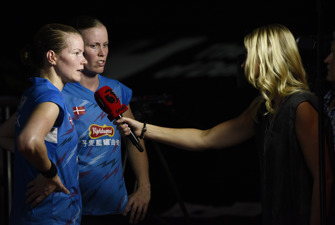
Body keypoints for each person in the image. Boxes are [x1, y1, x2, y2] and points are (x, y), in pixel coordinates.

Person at [114, 24, 334, 225]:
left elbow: (324, 177)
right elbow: (205, 139)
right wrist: (142, 128)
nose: (242, 63)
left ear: (267, 58)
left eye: (248, 55)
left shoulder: (301, 106)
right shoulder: (263, 107)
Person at [61, 16, 151, 225]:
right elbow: (21, 135)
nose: (102, 53)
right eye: (93, 45)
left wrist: (144, 187)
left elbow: (134, 138)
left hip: (115, 209)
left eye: (105, 45)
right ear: (78, 50)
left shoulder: (116, 90)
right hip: (73, 211)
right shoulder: (60, 92)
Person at [8, 23, 87, 224]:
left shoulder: (34, 92)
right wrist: (50, 173)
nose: (84, 61)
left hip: (34, 214)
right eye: (77, 53)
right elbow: (28, 141)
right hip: (50, 214)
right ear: (52, 57)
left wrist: (34, 160)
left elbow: (5, 135)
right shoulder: (50, 99)